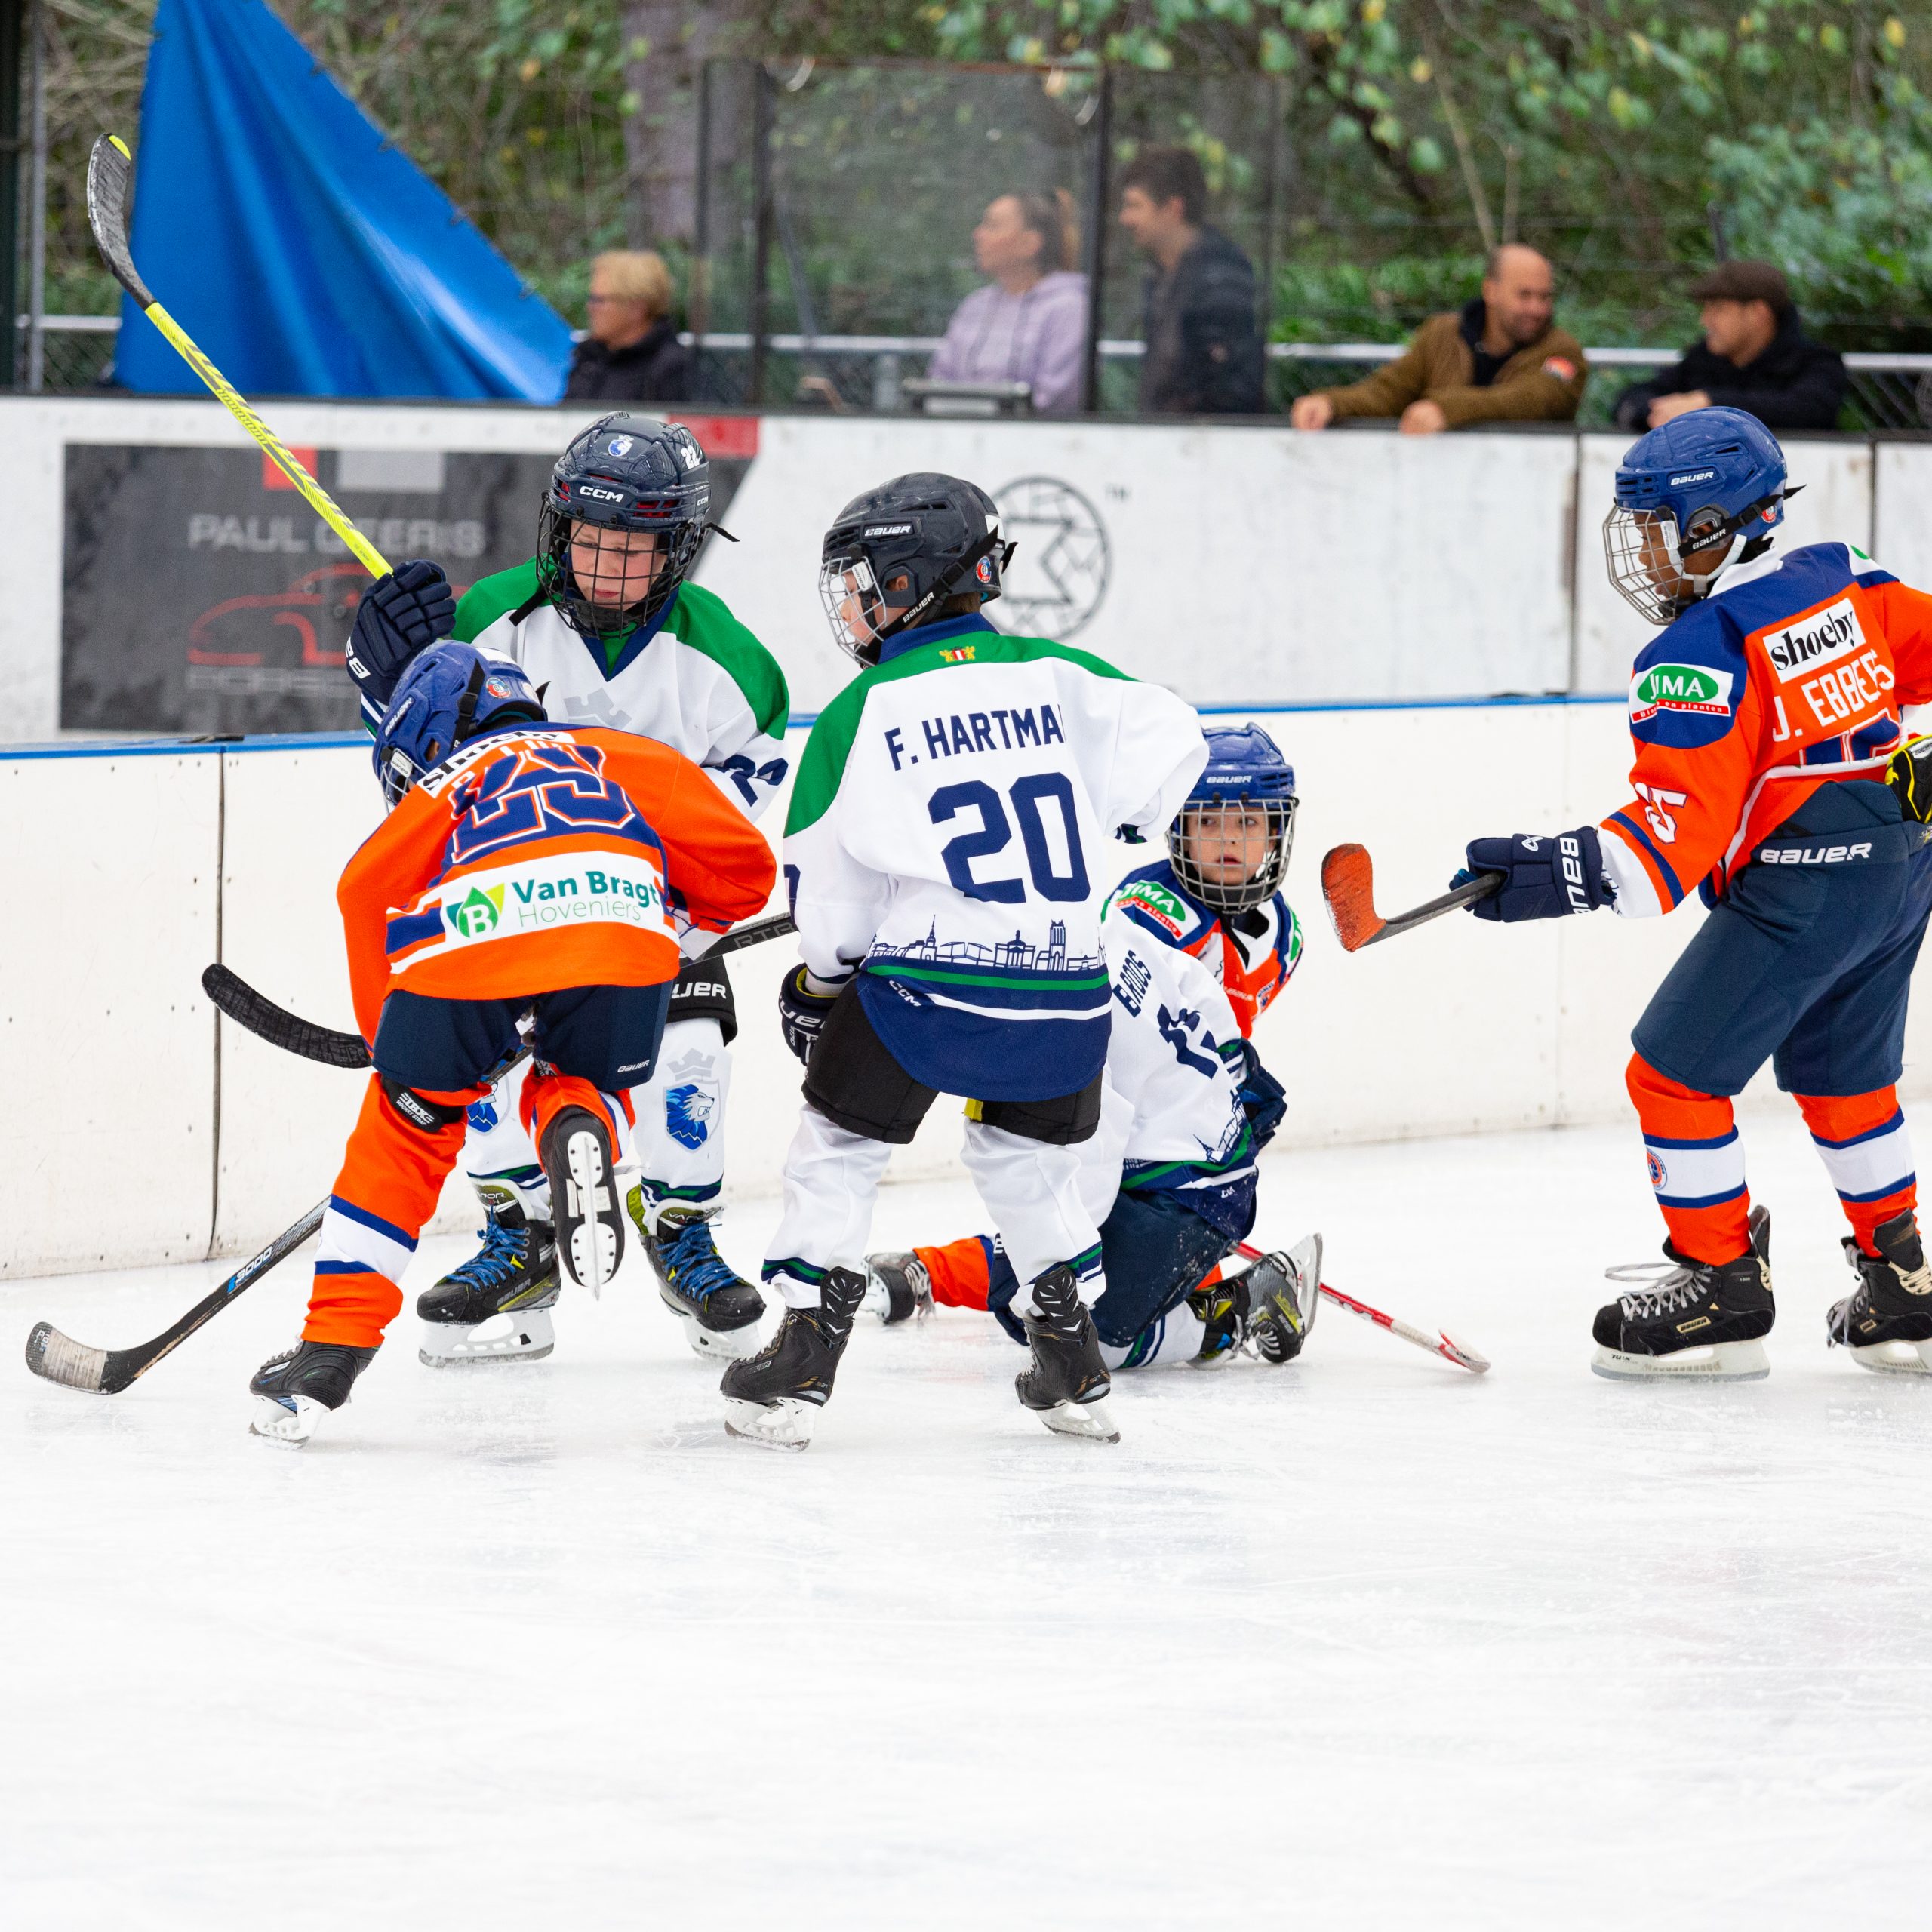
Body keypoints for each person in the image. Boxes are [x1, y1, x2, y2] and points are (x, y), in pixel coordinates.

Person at [720, 472, 1208, 1450]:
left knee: (841, 1145)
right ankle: (1070, 1355)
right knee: (1019, 1156)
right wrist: (1119, 816)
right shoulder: (1066, 675)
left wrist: (821, 989)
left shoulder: (866, 708)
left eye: (864, 581)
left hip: (932, 988)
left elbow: (833, 911)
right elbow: (1176, 737)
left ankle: (805, 1354)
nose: (853, 603)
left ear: (912, 583)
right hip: (1071, 992)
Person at [1450, 405, 1932, 1381]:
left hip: (1799, 891)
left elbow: (1669, 848)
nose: (1643, 554)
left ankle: (1720, 1282)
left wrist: (1548, 871)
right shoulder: (1849, 572)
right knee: (1848, 1081)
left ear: (1711, 528)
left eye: (1656, 527)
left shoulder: (1697, 650)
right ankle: (1905, 1280)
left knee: (1672, 1078)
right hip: (1901, 871)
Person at [343, 414, 790, 1369]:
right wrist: (379, 673)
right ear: (558, 527)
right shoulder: (490, 619)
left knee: (694, 1053)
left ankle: (684, 1235)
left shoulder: (733, 667)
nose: (605, 562)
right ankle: (520, 1241)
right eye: (590, 537)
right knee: (482, 1066)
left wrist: (646, 915)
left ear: (678, 552)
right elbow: (415, 757)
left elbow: (744, 829)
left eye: (634, 546)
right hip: (502, 902)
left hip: (652, 914)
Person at [248, 644, 776, 1445]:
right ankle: (577, 1117)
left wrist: (390, 1034)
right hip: (621, 930)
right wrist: (660, 929)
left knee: (408, 1129)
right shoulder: (622, 754)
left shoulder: (445, 779)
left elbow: (364, 892)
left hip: (476, 941)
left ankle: (331, 1351)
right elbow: (747, 868)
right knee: (582, 1074)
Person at [865, 725, 1319, 1371]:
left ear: (1277, 833)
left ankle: (929, 1274)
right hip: (1103, 1122)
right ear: (1177, 828)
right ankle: (930, 1273)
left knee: (1076, 1289)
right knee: (1048, 1278)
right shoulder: (1146, 914)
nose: (1227, 840)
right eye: (1207, 821)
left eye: (1247, 823)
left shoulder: (1285, 938)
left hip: (1169, 1139)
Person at [1290, 245, 1586, 435]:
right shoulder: (1441, 335)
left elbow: (1534, 401)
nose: (1537, 309)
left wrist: (1447, 408)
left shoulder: (1562, 354)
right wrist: (1331, 403)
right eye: (1525, 295)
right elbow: (1390, 390)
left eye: (1545, 297)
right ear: (1490, 291)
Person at [1612, 260, 1847, 434]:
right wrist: (1655, 412)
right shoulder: (1702, 361)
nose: (1705, 320)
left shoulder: (1817, 364)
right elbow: (1633, 400)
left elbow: (1807, 411)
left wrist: (1709, 406)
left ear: (1758, 313)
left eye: (1718, 309)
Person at [1116, 146, 1264, 417]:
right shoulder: (1160, 275)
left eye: (1135, 205)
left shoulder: (1220, 277)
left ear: (1173, 209)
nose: (1124, 218)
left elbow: (1229, 390)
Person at [927, 190, 1088, 414]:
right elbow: (940, 378)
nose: (978, 235)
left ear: (1029, 243)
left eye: (992, 226)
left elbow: (1056, 399)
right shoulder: (976, 306)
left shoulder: (1068, 309)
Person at [564, 251, 693, 403]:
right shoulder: (589, 360)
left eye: (599, 300)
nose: (590, 307)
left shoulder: (670, 369)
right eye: (591, 299)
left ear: (636, 308)